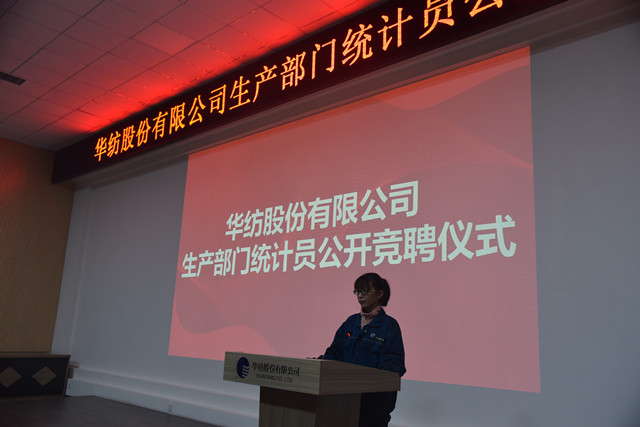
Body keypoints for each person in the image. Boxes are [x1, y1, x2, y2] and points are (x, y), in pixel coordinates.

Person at [322, 272, 406, 427]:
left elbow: (394, 365)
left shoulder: (389, 325)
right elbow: (334, 352)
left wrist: (365, 380)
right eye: (357, 291)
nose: (360, 296)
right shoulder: (350, 322)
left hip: (373, 407)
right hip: (342, 401)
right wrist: (322, 364)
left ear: (380, 294)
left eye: (365, 291)